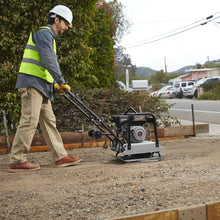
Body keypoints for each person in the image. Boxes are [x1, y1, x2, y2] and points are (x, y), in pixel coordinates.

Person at [9, 5, 81, 172]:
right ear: (57, 20)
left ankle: (60, 156)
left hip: (41, 86)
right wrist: (61, 80)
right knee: (29, 120)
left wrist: (55, 85)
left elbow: (45, 65)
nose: (66, 28)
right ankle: (18, 159)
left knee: (49, 121)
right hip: (31, 84)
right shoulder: (44, 33)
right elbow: (48, 60)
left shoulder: (48, 37)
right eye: (65, 24)